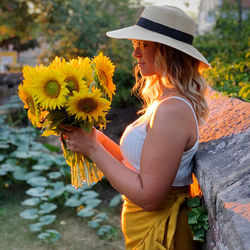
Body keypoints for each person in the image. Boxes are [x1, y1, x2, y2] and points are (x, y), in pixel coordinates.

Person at [61, 5, 210, 250]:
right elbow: (134, 166)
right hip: (146, 227)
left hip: (162, 232)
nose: (136, 54)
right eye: (135, 44)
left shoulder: (173, 109)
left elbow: (150, 196)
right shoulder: (163, 101)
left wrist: (93, 150)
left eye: (144, 45)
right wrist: (91, 135)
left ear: (167, 51)